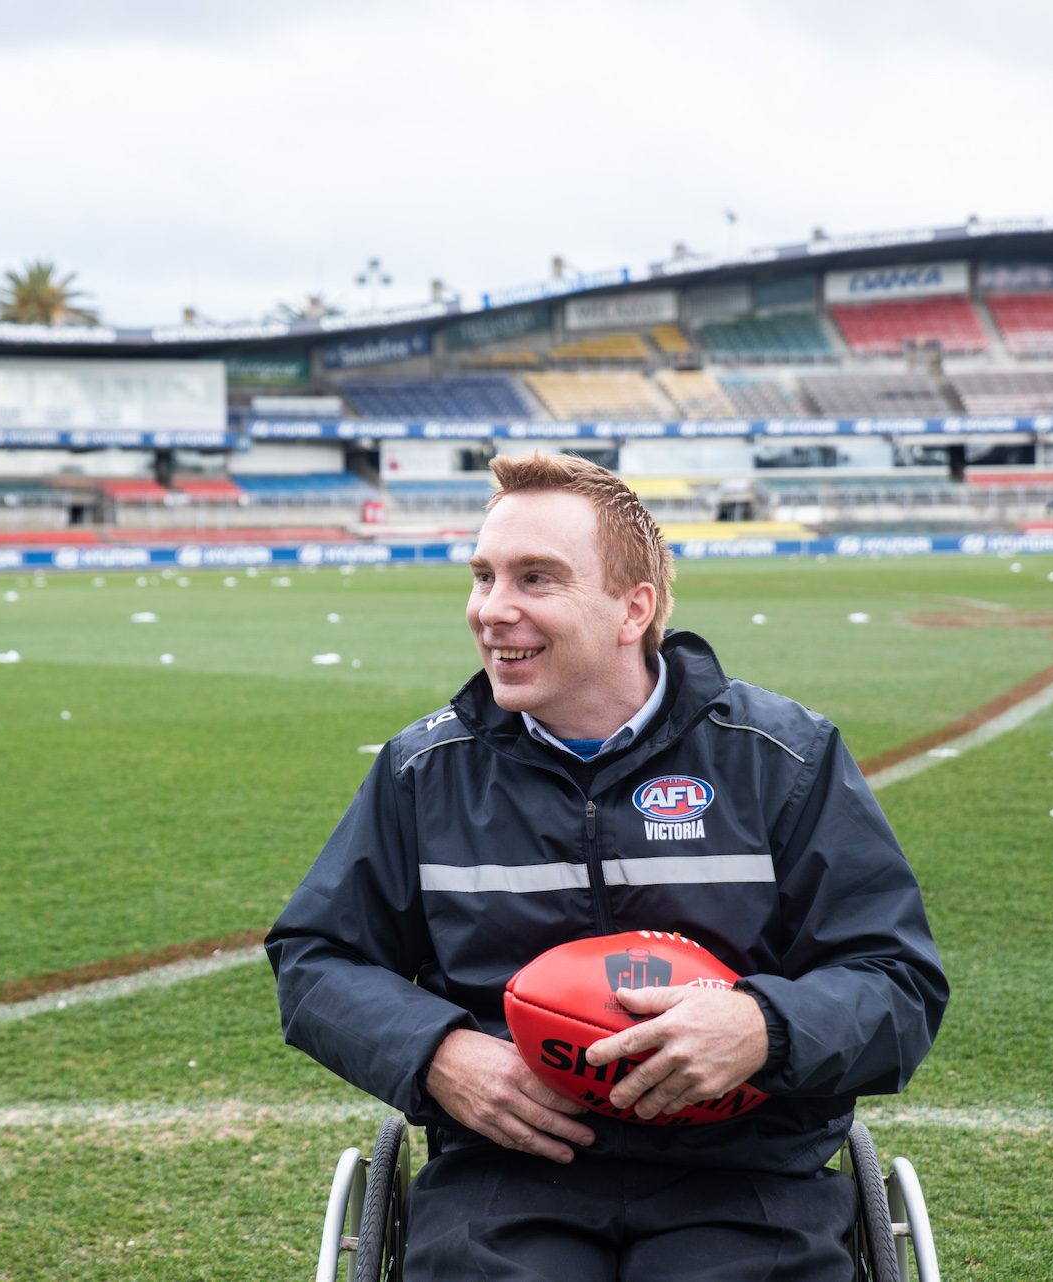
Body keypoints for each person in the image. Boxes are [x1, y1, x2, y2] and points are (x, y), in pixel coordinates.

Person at [268, 451, 947, 1282]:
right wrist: (439, 1053)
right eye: (484, 577)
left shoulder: (782, 758)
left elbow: (899, 982)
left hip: (745, 1173)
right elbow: (314, 961)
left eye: (535, 579)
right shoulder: (424, 771)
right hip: (508, 1176)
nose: (492, 611)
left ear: (634, 610)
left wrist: (763, 1027)